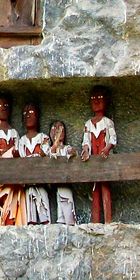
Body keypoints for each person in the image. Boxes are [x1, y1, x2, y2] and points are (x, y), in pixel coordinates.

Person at [0, 95, 26, 226]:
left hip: (15, 175)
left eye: (6, 105)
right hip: (2, 175)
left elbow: (20, 152)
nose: (3, 108)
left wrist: (15, 154)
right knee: (5, 204)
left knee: (18, 203)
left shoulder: (14, 133)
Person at [80, 86, 116, 223]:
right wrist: (85, 150)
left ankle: (108, 220)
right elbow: (86, 141)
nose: (96, 101)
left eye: (100, 98)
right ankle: (95, 222)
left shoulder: (108, 122)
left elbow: (113, 138)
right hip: (94, 159)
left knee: (105, 188)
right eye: (93, 98)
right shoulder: (88, 124)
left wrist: (107, 148)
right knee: (95, 190)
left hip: (104, 159)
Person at [17, 102, 51, 225]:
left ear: (37, 116)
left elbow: (46, 155)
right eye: (25, 113)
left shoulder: (43, 137)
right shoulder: (21, 140)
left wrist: (41, 156)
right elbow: (21, 158)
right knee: (29, 213)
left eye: (31, 112)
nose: (28, 116)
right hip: (27, 182)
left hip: (40, 180)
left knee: (43, 208)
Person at [48, 120, 77, 225]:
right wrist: (55, 143)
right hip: (52, 179)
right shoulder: (49, 149)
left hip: (65, 180)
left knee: (65, 198)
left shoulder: (66, 148)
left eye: (61, 130)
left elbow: (72, 152)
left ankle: (68, 221)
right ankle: (60, 220)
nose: (58, 132)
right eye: (54, 129)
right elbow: (51, 154)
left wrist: (72, 152)